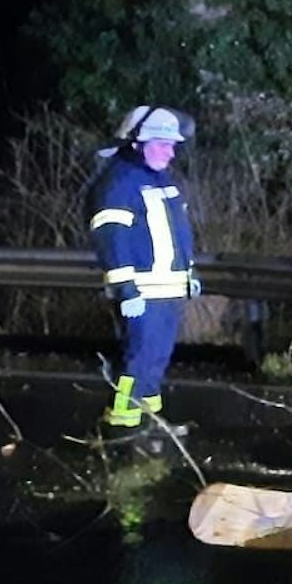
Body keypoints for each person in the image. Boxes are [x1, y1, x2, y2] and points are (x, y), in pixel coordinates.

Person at [87, 105, 200, 434]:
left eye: (173, 145)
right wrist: (126, 290)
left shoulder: (160, 180)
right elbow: (112, 240)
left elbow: (179, 234)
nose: (170, 152)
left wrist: (189, 273)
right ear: (137, 143)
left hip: (167, 290)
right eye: (162, 145)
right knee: (138, 359)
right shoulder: (118, 184)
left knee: (156, 358)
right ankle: (121, 426)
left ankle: (150, 422)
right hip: (141, 292)